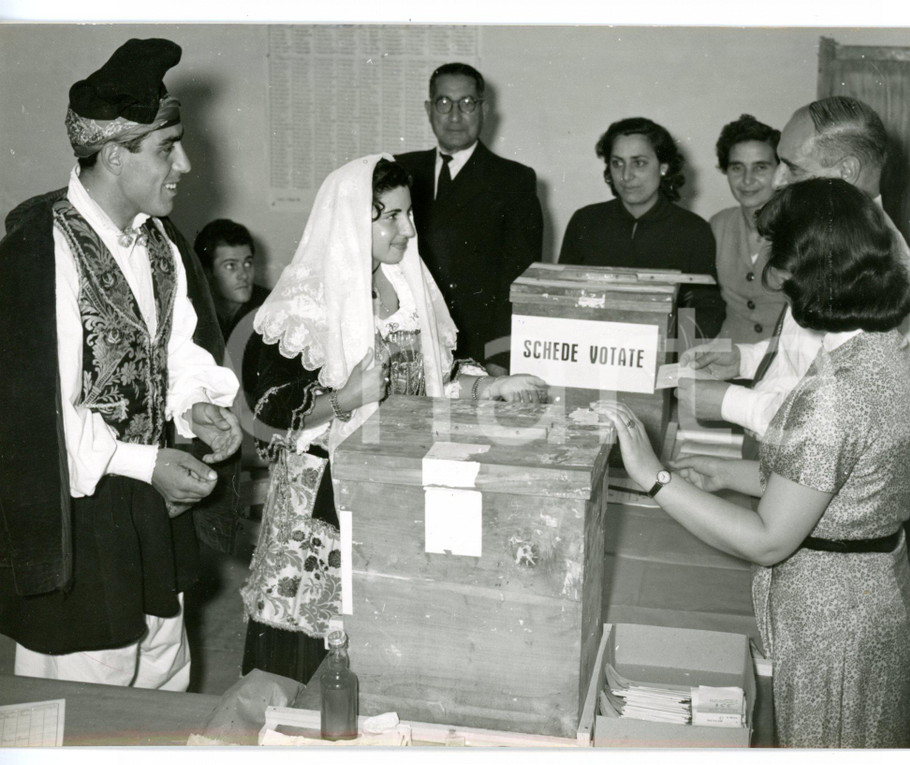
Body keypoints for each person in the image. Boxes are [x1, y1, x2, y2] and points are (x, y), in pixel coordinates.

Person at [596, 178, 910, 747]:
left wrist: (653, 476)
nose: (775, 277)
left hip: (834, 623)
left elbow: (767, 539)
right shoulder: (886, 350)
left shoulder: (837, 391)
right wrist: (721, 473)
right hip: (871, 598)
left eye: (782, 260)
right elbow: (833, 482)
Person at [239, 155, 547, 683]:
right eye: (391, 217)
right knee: (308, 658)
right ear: (354, 222)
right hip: (319, 503)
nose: (408, 229)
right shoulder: (302, 303)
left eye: (408, 215)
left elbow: (438, 378)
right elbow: (267, 416)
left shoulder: (409, 290)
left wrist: (490, 386)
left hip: (396, 482)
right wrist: (347, 397)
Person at [0, 38, 242, 689]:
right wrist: (147, 463)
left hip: (151, 514)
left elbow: (174, 346)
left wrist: (194, 402)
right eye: (168, 148)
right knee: (87, 695)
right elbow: (43, 415)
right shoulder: (41, 249)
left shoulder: (158, 241)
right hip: (82, 519)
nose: (185, 164)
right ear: (112, 154)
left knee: (163, 674)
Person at [680, 97, 910, 450]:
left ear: (845, 171)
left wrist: (730, 403)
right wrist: (746, 358)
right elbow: (813, 355)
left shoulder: (881, 265)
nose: (779, 180)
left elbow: (848, 420)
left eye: (793, 168)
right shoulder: (832, 242)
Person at [396, 63, 543, 372]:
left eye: (466, 103)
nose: (454, 116)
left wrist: (500, 359)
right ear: (428, 109)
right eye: (444, 103)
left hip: (477, 353)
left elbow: (518, 282)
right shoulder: (399, 170)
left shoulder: (514, 181)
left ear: (483, 110)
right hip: (405, 347)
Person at [559, 117, 725, 339]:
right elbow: (560, 298)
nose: (626, 176)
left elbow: (706, 312)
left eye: (639, 163)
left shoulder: (694, 230)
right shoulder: (585, 221)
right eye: (617, 163)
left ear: (664, 167)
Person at [709, 114, 786, 343]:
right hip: (730, 361)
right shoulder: (718, 225)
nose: (747, 180)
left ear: (780, 171)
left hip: (787, 365)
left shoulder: (802, 229)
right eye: (737, 168)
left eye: (760, 167)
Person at [194, 218, 270, 341]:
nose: (244, 275)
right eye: (231, 265)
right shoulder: (193, 311)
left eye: (248, 263)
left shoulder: (271, 313)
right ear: (206, 273)